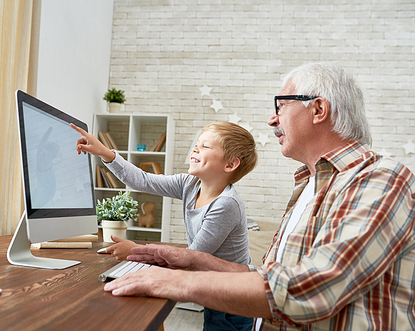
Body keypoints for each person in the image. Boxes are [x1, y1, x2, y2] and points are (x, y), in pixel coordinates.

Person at [103, 62, 415, 330]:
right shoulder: (310, 186)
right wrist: (192, 258)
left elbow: (312, 288)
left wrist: (175, 281)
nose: (272, 119)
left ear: (318, 109)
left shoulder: (381, 179)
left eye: (281, 106)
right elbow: (270, 277)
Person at [71, 121, 258, 331]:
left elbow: (193, 257)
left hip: (234, 293)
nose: (195, 149)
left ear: (230, 165)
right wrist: (104, 152)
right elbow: (143, 180)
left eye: (205, 146)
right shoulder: (189, 184)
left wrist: (135, 250)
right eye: (197, 144)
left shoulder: (226, 204)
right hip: (214, 282)